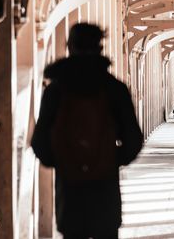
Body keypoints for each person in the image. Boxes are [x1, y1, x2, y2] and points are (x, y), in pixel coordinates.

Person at [31, 23, 143, 239]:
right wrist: (111, 159)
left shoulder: (56, 89)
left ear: (70, 47)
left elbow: (40, 140)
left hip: (70, 188)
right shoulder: (114, 88)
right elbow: (133, 139)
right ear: (100, 47)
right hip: (105, 189)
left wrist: (63, 160)